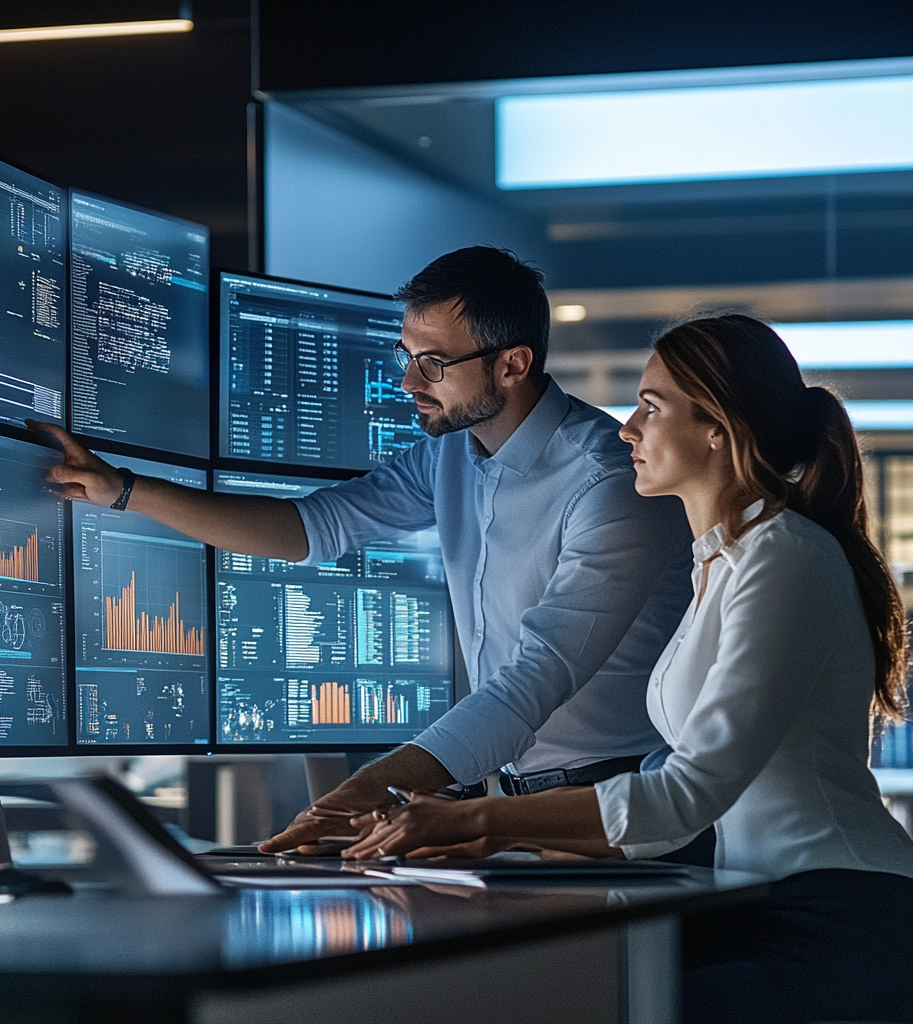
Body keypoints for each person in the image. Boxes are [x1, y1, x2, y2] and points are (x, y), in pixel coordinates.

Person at [342, 313, 913, 1023]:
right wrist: (501, 833)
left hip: (840, 915)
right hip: (764, 897)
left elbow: (687, 794)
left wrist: (488, 820)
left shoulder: (783, 557)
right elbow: (670, 795)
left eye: (651, 406)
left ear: (719, 427)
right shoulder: (724, 563)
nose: (626, 429)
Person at [32, 246, 693, 853]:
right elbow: (311, 528)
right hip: (508, 812)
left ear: (512, 364)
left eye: (432, 363)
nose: (409, 381)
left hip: (618, 813)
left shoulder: (610, 484)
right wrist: (123, 490)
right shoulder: (450, 456)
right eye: (406, 356)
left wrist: (357, 794)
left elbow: (532, 682)